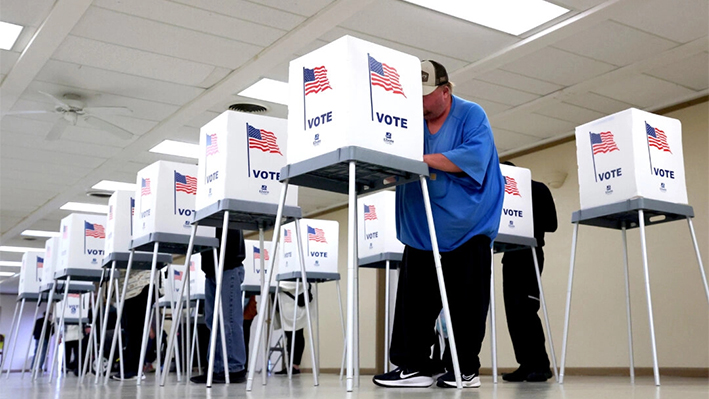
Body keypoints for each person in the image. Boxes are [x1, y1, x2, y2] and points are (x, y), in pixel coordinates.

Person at [373, 60, 504, 389]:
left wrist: (420, 159)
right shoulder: (409, 120)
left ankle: (465, 370)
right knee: (413, 303)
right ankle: (414, 366)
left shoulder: (471, 115)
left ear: (445, 92)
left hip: (467, 227)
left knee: (466, 305)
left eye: (425, 95)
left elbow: (473, 157)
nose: (418, 102)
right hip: (421, 228)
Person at [500, 161, 558, 382]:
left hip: (530, 252)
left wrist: (525, 217)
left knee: (526, 308)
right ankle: (525, 364)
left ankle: (540, 365)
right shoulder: (497, 189)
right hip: (509, 256)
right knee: (513, 314)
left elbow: (552, 224)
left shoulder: (538, 188)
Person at [190, 228, 247, 384]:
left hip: (228, 265)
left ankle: (234, 368)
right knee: (212, 321)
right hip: (211, 268)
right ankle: (215, 368)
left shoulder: (226, 209)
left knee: (228, 319)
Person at [111, 269, 151, 380]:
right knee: (130, 329)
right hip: (129, 284)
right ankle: (129, 368)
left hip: (140, 282)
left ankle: (134, 369)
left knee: (135, 329)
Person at [273, 281, 314, 375]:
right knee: (291, 336)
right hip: (288, 303)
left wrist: (276, 283)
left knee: (296, 334)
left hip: (292, 304)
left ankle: (294, 365)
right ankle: (291, 365)